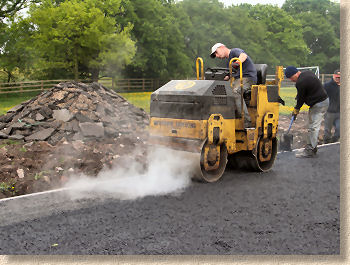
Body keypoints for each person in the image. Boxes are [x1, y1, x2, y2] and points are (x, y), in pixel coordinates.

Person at [284, 66, 329, 158]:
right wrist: (300, 95)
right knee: (312, 125)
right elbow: (308, 89)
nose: (291, 80)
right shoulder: (308, 73)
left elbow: (301, 100)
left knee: (313, 127)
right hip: (323, 101)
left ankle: (310, 150)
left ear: (295, 74)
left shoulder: (300, 82)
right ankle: (313, 147)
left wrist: (296, 110)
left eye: (291, 78)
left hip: (318, 104)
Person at [210, 43, 257, 127]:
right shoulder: (229, 61)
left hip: (248, 78)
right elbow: (230, 75)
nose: (216, 56)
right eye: (215, 55)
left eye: (216, 53)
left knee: (235, 91)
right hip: (237, 80)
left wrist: (236, 63)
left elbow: (243, 56)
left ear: (222, 47)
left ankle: (247, 122)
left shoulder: (234, 52)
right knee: (223, 91)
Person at [323, 69, 340, 143]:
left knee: (340, 130)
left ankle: (334, 142)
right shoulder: (327, 85)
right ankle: (326, 143)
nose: (338, 79)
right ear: (333, 76)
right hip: (329, 112)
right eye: (337, 77)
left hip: (340, 112)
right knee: (327, 131)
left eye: (339, 77)